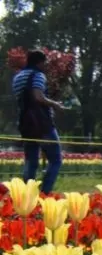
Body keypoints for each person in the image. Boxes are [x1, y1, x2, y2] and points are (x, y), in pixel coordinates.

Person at [12, 50, 64, 193]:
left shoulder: (17, 77)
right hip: (42, 124)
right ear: (40, 62)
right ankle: (44, 192)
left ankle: (27, 193)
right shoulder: (38, 75)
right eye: (44, 63)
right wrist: (55, 104)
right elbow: (38, 96)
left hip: (25, 124)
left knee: (31, 160)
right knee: (55, 160)